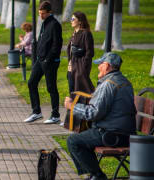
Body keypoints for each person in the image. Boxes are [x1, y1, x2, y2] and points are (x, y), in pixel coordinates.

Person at [64, 52, 136, 180]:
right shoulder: (124, 81)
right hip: (124, 133)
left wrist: (72, 107)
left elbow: (93, 113)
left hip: (112, 135)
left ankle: (98, 176)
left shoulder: (108, 84)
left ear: (107, 66)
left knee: (73, 141)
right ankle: (94, 174)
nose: (98, 67)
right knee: (82, 137)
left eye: (100, 64)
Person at [23, 1, 63, 124]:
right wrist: (38, 58)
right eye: (39, 13)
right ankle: (36, 112)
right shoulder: (44, 23)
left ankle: (55, 115)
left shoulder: (55, 24)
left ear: (49, 12)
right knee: (31, 83)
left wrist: (48, 58)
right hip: (40, 60)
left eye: (43, 14)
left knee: (51, 87)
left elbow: (57, 44)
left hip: (50, 62)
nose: (41, 16)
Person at [66, 11, 95, 98]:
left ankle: (80, 108)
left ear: (80, 21)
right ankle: (71, 109)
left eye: (73, 19)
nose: (71, 21)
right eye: (71, 19)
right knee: (72, 90)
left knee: (81, 90)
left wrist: (83, 66)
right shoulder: (74, 33)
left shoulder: (86, 33)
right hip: (71, 67)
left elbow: (90, 52)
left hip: (79, 68)